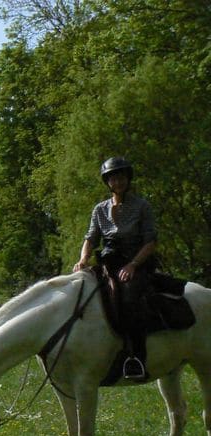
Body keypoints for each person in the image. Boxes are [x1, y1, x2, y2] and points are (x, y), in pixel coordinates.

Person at [73, 157, 157, 379]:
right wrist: (83, 259)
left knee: (129, 297)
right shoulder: (100, 209)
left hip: (136, 261)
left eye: (120, 177)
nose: (117, 182)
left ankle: (135, 357)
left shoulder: (142, 206)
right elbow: (90, 238)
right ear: (107, 182)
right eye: (113, 178)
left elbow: (150, 242)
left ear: (128, 179)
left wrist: (133, 265)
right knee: (82, 291)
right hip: (109, 262)